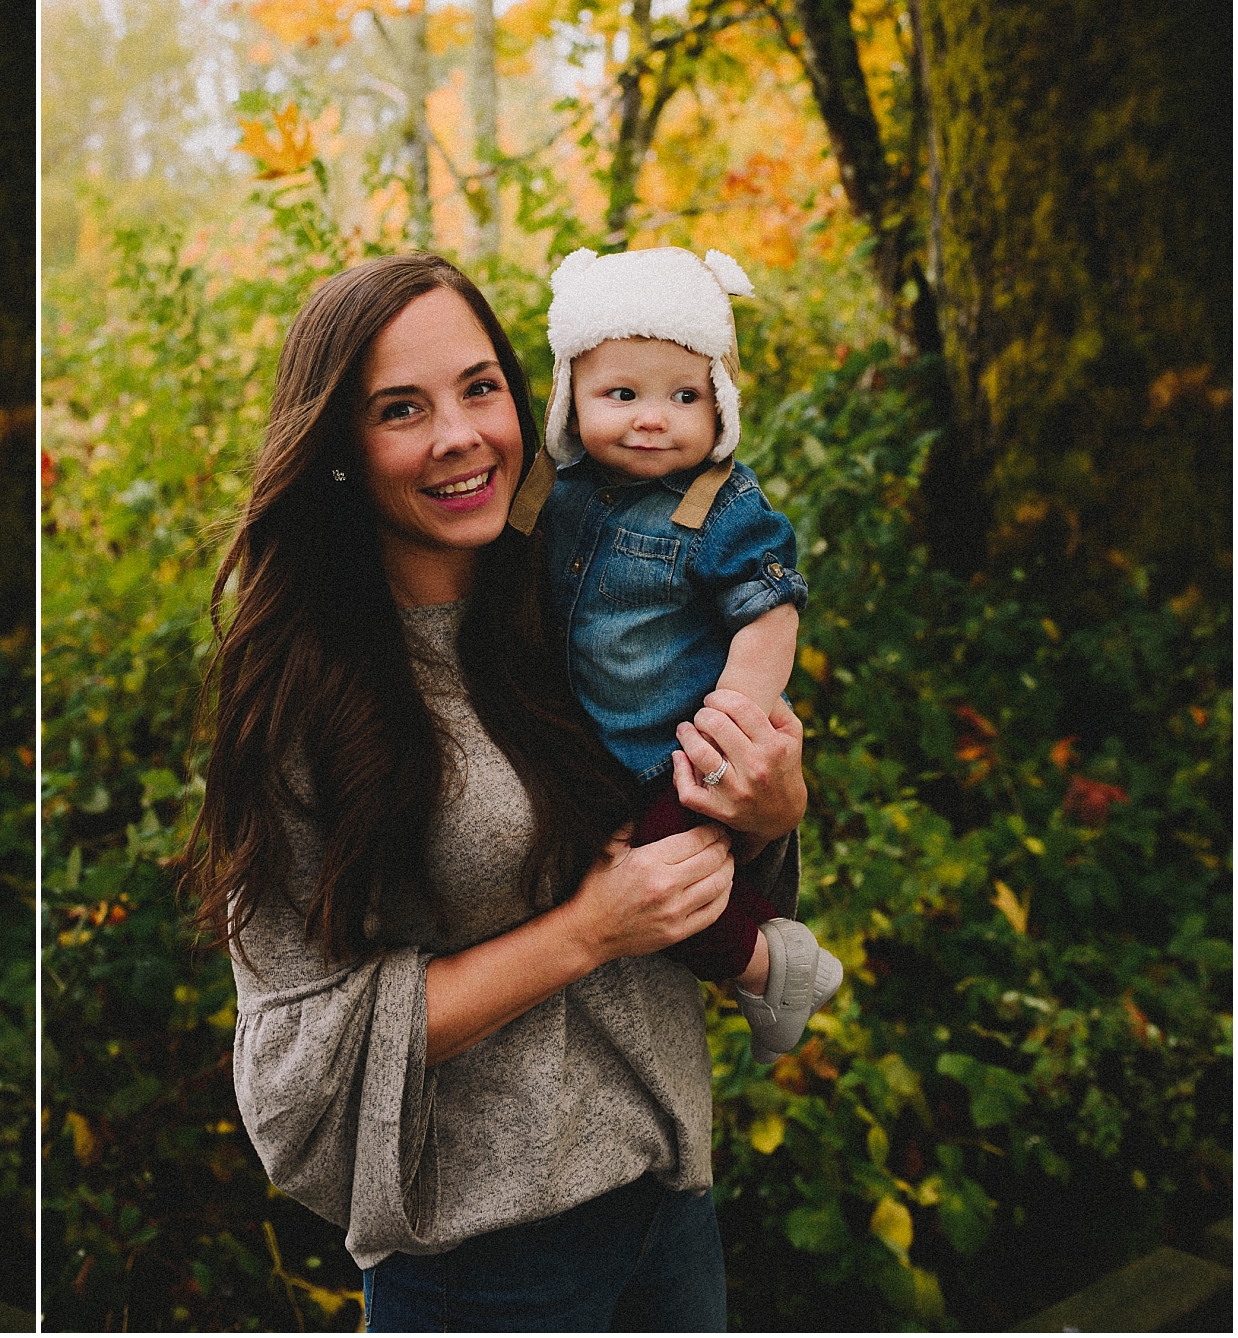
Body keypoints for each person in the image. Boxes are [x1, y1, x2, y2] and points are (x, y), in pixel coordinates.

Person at [184, 254, 811, 1332]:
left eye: (481, 388)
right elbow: (294, 1057)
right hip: (483, 1266)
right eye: (400, 409)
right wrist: (585, 932)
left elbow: (682, 858)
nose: (460, 434)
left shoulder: (585, 610)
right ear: (338, 446)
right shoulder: (308, 689)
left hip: (669, 1214)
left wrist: (767, 816)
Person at [540, 244, 842, 1060]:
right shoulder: (554, 494)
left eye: (684, 395)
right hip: (587, 754)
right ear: (572, 399)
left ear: (722, 406)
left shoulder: (721, 504)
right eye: (622, 394)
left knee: (664, 897)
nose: (652, 416)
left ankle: (772, 964)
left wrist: (732, 725)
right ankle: (764, 958)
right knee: (592, 882)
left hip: (679, 758)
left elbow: (769, 613)